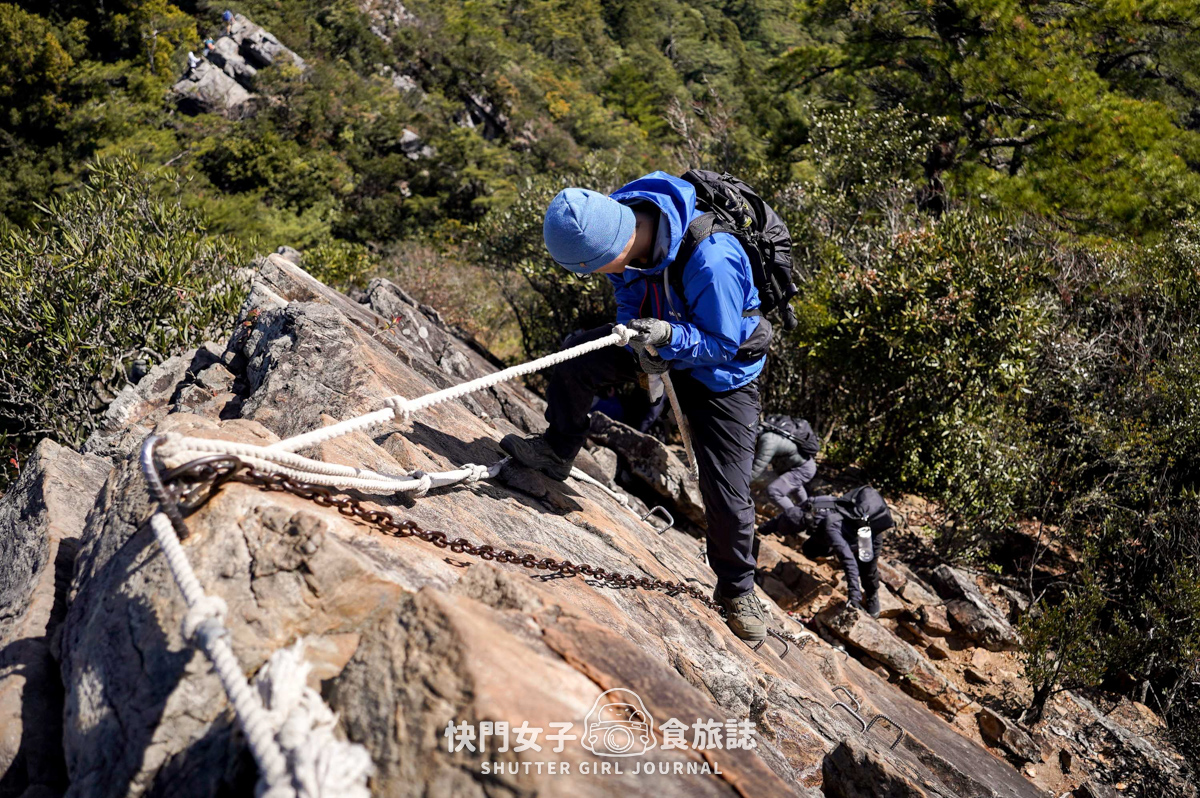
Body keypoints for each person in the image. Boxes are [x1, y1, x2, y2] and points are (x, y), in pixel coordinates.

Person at [500, 171, 773, 642]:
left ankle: (737, 588)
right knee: (574, 360)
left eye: (592, 268)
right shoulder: (620, 222)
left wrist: (669, 337)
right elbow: (628, 289)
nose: (595, 276)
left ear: (615, 247)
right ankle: (557, 449)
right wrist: (636, 338)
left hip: (721, 374)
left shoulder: (712, 258)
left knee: (726, 492)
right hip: (657, 337)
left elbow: (723, 342)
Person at [759, 485, 895, 617]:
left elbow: (848, 560)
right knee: (809, 549)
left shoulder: (831, 528)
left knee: (867, 568)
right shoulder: (811, 503)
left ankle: (872, 595)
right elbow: (784, 517)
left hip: (868, 537)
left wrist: (854, 596)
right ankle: (840, 545)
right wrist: (762, 529)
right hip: (842, 528)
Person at [751, 414, 818, 511]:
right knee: (797, 490)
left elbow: (756, 469)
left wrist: (735, 484)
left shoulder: (768, 440)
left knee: (774, 491)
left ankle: (796, 518)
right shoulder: (768, 435)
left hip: (803, 468)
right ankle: (808, 514)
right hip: (797, 466)